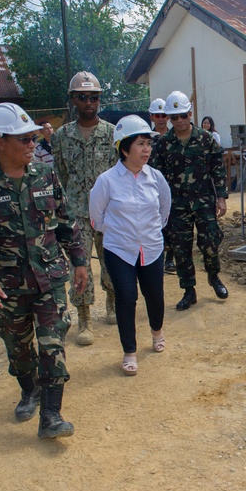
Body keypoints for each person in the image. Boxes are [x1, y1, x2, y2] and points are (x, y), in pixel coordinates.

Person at [0, 102, 88, 440]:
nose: (33, 144)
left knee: (52, 342)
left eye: (33, 138)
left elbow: (65, 220)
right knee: (18, 346)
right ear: (0, 142)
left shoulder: (45, 175)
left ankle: (51, 415)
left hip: (49, 276)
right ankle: (28, 389)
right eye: (24, 139)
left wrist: (79, 260)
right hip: (7, 282)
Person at [89, 115, 172, 375]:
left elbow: (164, 209)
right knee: (126, 297)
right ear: (124, 148)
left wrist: (149, 232)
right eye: (140, 144)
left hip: (151, 247)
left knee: (154, 295)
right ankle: (129, 351)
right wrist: (118, 234)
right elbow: (96, 217)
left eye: (148, 144)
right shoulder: (107, 181)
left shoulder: (155, 178)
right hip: (119, 250)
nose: (147, 149)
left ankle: (156, 331)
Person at [51, 71, 118, 345]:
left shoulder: (112, 134)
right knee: (79, 268)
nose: (89, 102)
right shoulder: (61, 136)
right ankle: (84, 317)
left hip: (109, 212)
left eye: (94, 97)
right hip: (76, 212)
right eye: (82, 97)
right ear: (73, 100)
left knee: (111, 262)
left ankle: (112, 302)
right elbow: (59, 176)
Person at [151, 90, 229, 311]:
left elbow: (218, 169)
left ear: (190, 113)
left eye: (183, 115)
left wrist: (221, 197)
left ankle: (214, 278)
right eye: (174, 117)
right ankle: (189, 291)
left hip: (203, 201)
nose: (179, 121)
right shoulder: (163, 144)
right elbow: (156, 177)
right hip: (176, 205)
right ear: (168, 118)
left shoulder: (206, 139)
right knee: (181, 248)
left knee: (210, 243)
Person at [149, 97, 175, 274]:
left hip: (173, 187)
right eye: (157, 115)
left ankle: (170, 259)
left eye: (164, 115)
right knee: (154, 223)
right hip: (151, 188)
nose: (161, 118)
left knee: (173, 223)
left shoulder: (175, 138)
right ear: (152, 117)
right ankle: (156, 258)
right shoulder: (146, 139)